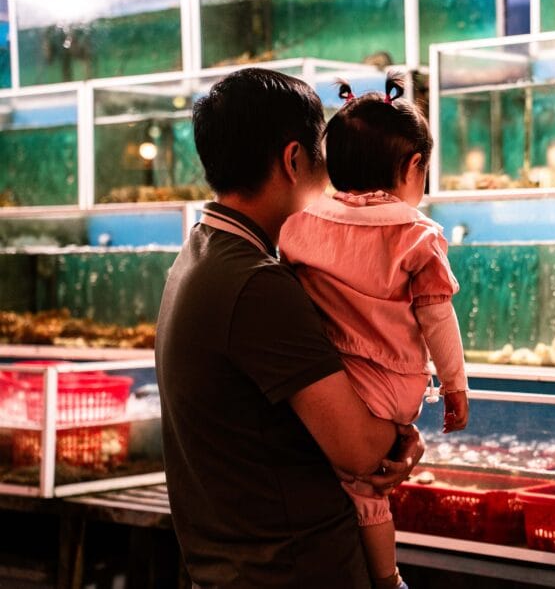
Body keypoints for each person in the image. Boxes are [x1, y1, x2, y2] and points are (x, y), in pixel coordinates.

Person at [156, 67, 424, 589]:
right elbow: (358, 450)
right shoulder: (256, 284)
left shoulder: (199, 255)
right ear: (294, 159)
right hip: (288, 570)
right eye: (324, 157)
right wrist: (401, 432)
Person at [279, 73, 469, 589]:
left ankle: (385, 576)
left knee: (357, 485)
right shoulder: (415, 234)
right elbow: (437, 315)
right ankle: (387, 580)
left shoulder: (299, 224)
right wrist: (454, 386)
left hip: (330, 380)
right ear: (413, 166)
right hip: (392, 382)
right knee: (370, 488)